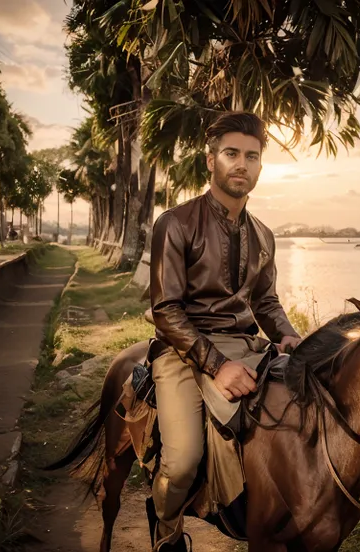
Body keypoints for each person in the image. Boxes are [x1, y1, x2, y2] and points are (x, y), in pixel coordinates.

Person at [149, 111, 302, 551]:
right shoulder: (175, 223)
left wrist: (288, 335)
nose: (242, 164)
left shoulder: (264, 235)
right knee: (182, 462)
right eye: (232, 153)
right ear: (210, 159)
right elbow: (165, 310)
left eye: (252, 156)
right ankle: (166, 529)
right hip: (182, 350)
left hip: (247, 347)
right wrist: (217, 366)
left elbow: (265, 302)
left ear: (260, 165)